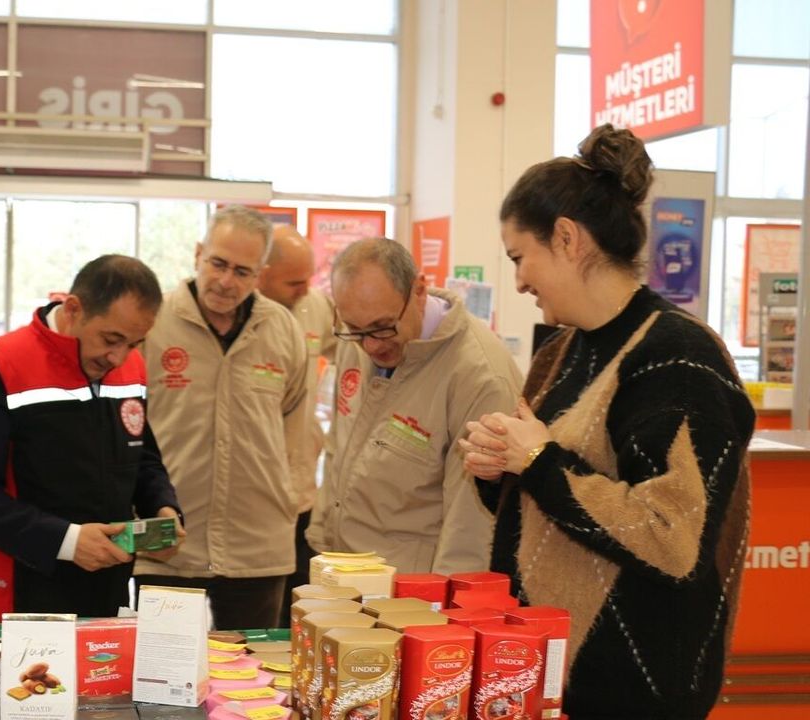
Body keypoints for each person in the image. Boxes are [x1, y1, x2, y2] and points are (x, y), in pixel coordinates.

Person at [461, 124, 754, 719]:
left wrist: (538, 461)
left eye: (520, 257)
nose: (519, 280)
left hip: (634, 689)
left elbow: (672, 539)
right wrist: (499, 471)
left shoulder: (678, 358)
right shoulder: (560, 353)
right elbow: (546, 502)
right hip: (551, 674)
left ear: (566, 238)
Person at [0, 254, 184, 623]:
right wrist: (65, 541)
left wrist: (163, 508)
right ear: (73, 309)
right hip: (21, 595)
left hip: (109, 593)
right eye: (111, 339)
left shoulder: (129, 368)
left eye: (134, 343)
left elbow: (142, 458)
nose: (119, 358)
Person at [135, 205, 309, 630]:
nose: (227, 281)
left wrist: (289, 497)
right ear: (199, 254)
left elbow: (295, 425)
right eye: (218, 263)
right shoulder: (153, 324)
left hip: (258, 544)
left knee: (256, 666)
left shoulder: (283, 330)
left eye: (242, 271)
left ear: (260, 274)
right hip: (166, 541)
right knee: (163, 665)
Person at [306, 237, 521, 574]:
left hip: (408, 590)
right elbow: (340, 446)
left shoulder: (480, 376)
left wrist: (443, 604)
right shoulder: (356, 342)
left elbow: (470, 523)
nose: (371, 346)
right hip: (339, 569)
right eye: (354, 329)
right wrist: (320, 541)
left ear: (419, 290)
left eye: (382, 327)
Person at [257, 224, 337, 624]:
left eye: (308, 279)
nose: (305, 289)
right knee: (255, 615)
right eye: (293, 282)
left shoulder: (314, 306)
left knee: (299, 610)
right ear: (261, 274)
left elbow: (351, 349)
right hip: (255, 494)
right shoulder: (242, 319)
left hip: (302, 486)